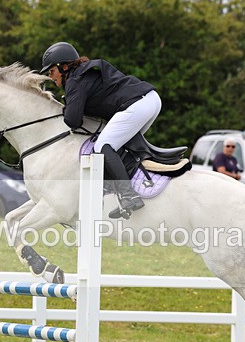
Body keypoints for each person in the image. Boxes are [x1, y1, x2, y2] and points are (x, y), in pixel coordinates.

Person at [40, 41, 161, 219]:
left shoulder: (75, 80)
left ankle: (129, 195)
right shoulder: (82, 74)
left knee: (102, 145)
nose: (51, 77)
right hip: (151, 100)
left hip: (139, 104)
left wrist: (65, 108)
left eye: (52, 71)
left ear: (64, 67)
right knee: (119, 148)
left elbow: (73, 120)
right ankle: (122, 196)